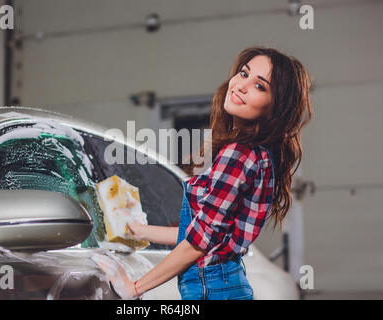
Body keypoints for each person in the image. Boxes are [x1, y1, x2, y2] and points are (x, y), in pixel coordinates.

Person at [93, 46, 313, 300]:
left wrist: (134, 287)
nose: (241, 86)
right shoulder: (261, 156)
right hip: (225, 285)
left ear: (275, 108)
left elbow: (200, 242)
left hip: (212, 290)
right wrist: (139, 231)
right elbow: (205, 232)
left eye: (260, 86)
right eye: (243, 74)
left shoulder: (237, 154)